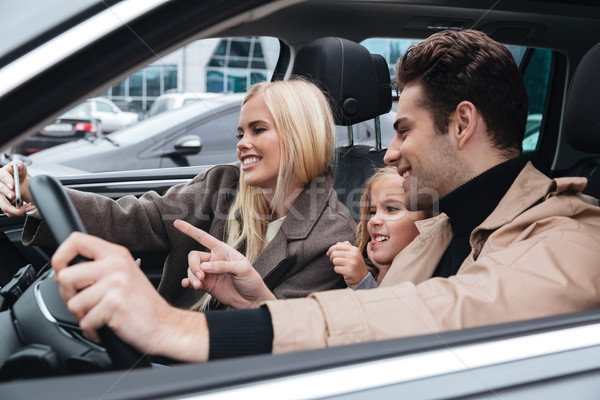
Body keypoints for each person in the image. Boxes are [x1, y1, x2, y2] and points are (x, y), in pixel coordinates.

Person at [48, 29, 600, 362]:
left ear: (461, 124)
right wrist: (258, 301)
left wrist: (180, 328)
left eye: (404, 130)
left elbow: (442, 314)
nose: (388, 152)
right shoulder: (438, 229)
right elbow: (367, 318)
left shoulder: (572, 235)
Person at [0, 79, 356, 310]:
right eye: (239, 133)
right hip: (162, 347)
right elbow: (135, 218)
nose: (242, 145)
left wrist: (143, 309)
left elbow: (282, 338)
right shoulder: (222, 185)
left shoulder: (331, 235)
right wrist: (37, 192)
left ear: (299, 136)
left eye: (258, 130)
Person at [327, 167, 429, 289]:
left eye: (392, 209)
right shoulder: (376, 273)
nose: (373, 220)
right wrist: (384, 271)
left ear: (427, 220)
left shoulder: (429, 279)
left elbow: (386, 307)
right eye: (372, 211)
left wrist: (361, 282)